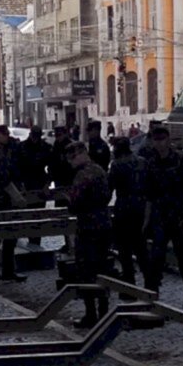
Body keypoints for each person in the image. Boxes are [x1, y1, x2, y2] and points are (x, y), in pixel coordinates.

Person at [142, 125, 183, 308]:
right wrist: (146, 221)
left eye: (162, 139)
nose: (159, 143)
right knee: (156, 257)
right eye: (156, 140)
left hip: (179, 215)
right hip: (160, 217)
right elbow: (149, 195)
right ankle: (152, 293)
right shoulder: (150, 162)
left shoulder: (181, 161)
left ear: (168, 140)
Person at [66, 140, 113, 327]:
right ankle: (104, 310)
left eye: (71, 158)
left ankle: (91, 314)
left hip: (87, 226)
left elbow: (74, 204)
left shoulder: (82, 175)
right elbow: (108, 195)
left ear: (79, 154)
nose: (70, 163)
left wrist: (69, 200)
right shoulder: (100, 170)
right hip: (103, 222)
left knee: (86, 270)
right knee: (102, 269)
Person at [0, 125, 27, 283]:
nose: (8, 136)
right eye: (5, 134)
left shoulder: (2, 152)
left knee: (9, 237)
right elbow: (4, 179)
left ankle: (6, 271)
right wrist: (17, 197)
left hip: (0, 200)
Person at [108, 136, 149, 287]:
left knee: (124, 250)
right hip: (141, 208)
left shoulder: (117, 165)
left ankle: (129, 284)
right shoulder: (142, 162)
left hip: (123, 209)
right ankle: (150, 283)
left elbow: (109, 188)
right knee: (141, 249)